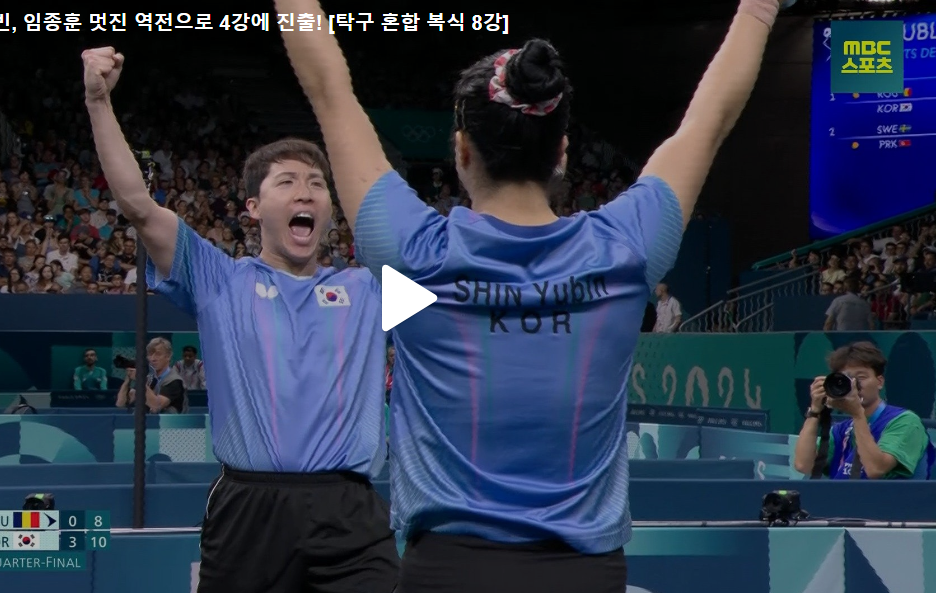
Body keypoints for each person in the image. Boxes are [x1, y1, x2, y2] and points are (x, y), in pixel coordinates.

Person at [275, 0, 790, 590]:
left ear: (461, 151)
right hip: (585, 574)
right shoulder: (626, 248)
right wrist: (759, 8)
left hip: (447, 572)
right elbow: (710, 119)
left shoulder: (411, 251)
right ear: (562, 153)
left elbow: (329, 91)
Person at [82, 47, 397, 593]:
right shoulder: (218, 279)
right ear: (252, 208)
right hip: (249, 512)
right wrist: (98, 102)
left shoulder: (370, 289)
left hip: (351, 512)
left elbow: (462, 304)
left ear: (331, 207)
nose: (305, 191)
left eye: (316, 183)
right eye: (287, 182)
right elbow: (137, 205)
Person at [793, 342, 935, 480]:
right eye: (847, 379)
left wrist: (857, 414)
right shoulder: (842, 429)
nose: (855, 385)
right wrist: (815, 411)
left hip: (884, 496)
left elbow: (875, 469)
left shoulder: (905, 422)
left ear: (880, 382)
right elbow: (803, 465)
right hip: (841, 495)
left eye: (861, 377)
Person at [115, 337, 187, 414]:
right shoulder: (149, 379)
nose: (153, 359)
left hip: (168, 420)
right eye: (150, 354)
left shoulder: (174, 381)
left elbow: (156, 406)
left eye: (158, 354)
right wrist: (128, 379)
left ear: (168, 356)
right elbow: (121, 403)